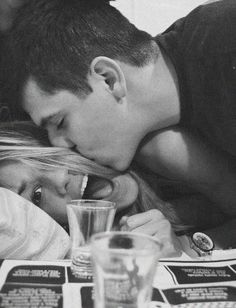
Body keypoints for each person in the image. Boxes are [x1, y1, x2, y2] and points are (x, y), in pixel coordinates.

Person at [1, 0, 236, 220]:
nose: (60, 145)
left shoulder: (223, 47)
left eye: (61, 122)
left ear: (108, 78)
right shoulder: (162, 129)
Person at [0, 121, 235, 258]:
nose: (60, 177)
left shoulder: (156, 147)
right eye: (38, 194)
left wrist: (188, 247)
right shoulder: (113, 243)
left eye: (48, 159)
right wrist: (183, 250)